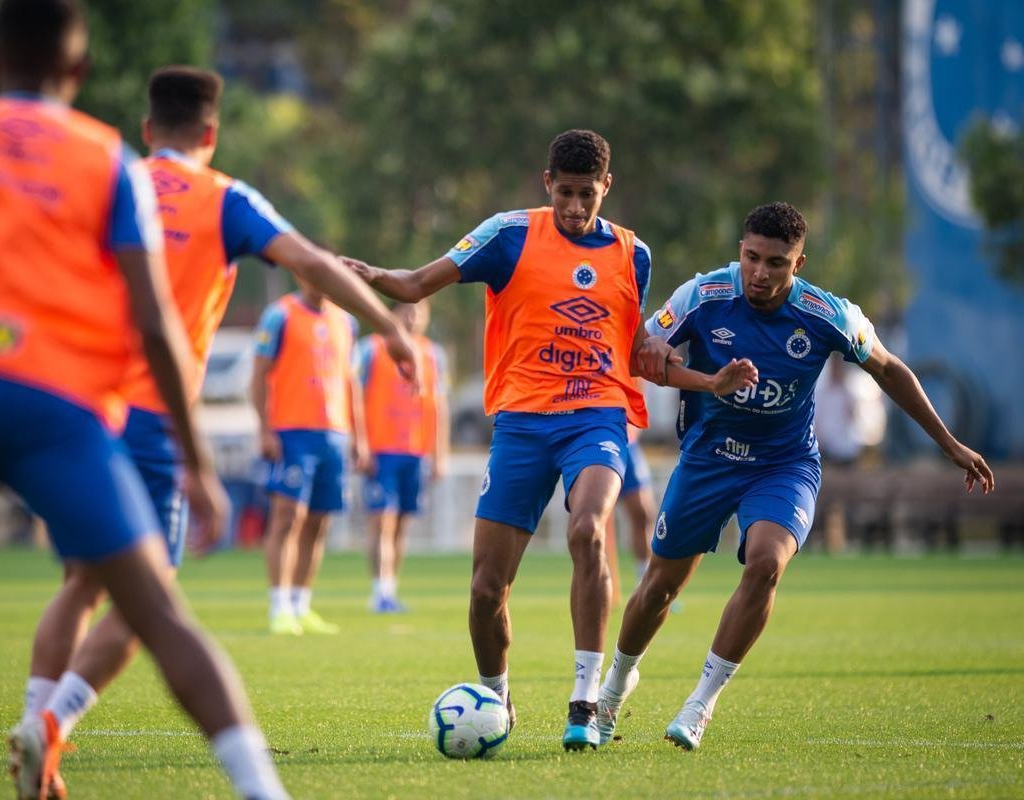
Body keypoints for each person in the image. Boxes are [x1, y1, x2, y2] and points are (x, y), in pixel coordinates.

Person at [0, 4, 297, 798]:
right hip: (59, 409)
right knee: (158, 612)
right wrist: (196, 460)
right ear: (77, 72)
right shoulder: (109, 161)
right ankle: (262, 790)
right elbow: (154, 323)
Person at [13, 64, 419, 784]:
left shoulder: (108, 179)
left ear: (147, 129)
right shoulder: (225, 198)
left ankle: (32, 720)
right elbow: (310, 261)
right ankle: (53, 724)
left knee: (82, 581)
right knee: (149, 598)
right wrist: (387, 326)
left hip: (76, 408)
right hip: (149, 418)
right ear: (211, 133)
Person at [343, 129, 758, 750]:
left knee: (588, 530)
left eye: (586, 194)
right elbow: (415, 283)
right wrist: (372, 273)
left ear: (606, 187)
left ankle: (585, 700)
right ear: (547, 184)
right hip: (521, 423)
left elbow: (637, 354)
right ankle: (496, 697)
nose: (574, 206)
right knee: (487, 589)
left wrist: (708, 381)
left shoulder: (633, 254)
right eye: (564, 192)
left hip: (596, 417)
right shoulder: (507, 235)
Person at [595, 202, 995, 752]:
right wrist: (685, 369)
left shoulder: (828, 315)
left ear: (798, 263)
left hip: (783, 465)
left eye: (776, 263)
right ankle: (614, 687)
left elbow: (890, 369)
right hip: (708, 459)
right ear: (741, 250)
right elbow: (638, 355)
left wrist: (949, 444)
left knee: (766, 563)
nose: (759, 272)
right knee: (660, 587)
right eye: (752, 257)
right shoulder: (701, 296)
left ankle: (701, 703)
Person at [253, 278, 364, 635]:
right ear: (301, 274)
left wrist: (359, 436)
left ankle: (301, 605)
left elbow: (351, 382)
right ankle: (279, 606)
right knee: (288, 517)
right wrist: (265, 429)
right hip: (292, 432)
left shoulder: (346, 322)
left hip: (334, 434)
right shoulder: (280, 315)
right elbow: (258, 375)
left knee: (319, 521)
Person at [354, 300, 450, 612]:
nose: (413, 318)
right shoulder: (370, 349)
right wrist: (361, 443)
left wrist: (439, 454)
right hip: (381, 449)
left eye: (420, 312)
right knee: (381, 520)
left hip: (416, 450)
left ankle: (390, 589)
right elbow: (355, 397)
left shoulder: (433, 355)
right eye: (407, 311)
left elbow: (439, 406)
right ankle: (379, 590)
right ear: (391, 313)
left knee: (402, 524)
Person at [603, 422, 658, 606]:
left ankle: (645, 583)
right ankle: (598, 582)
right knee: (594, 519)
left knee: (643, 513)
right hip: (597, 439)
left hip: (628, 442)